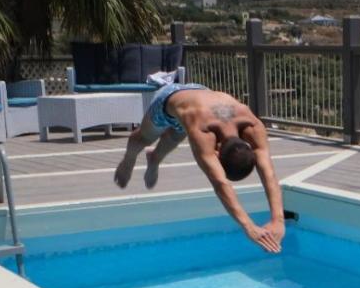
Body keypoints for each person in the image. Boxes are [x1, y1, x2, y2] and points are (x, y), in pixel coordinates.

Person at [114, 82, 285, 253]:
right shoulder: (202, 131)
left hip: (201, 95)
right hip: (169, 99)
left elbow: (268, 172)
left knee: (177, 134)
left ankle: (154, 159)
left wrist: (278, 220)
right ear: (217, 154)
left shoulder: (252, 125)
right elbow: (220, 182)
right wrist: (249, 227)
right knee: (142, 139)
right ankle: (128, 161)